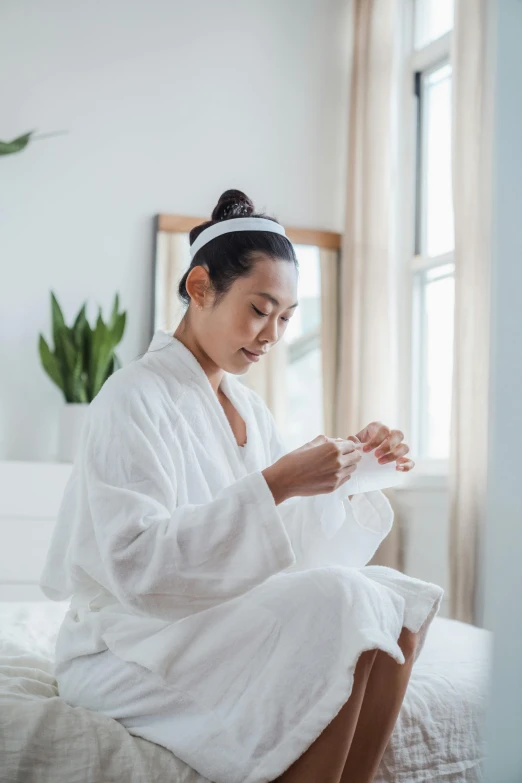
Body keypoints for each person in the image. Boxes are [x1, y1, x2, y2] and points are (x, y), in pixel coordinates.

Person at [40, 189, 444, 783]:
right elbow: (137, 564)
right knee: (343, 601)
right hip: (128, 642)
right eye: (260, 309)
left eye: (285, 318)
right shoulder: (131, 397)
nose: (272, 334)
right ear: (200, 287)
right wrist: (276, 484)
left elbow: (292, 556)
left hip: (211, 620)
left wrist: (346, 477)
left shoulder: (249, 409)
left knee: (399, 598)